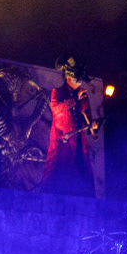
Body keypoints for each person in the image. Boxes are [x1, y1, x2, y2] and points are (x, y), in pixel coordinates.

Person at [40, 54, 98, 194]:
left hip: (79, 144)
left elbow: (88, 119)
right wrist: (74, 99)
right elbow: (56, 109)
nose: (80, 82)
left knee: (82, 179)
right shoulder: (58, 92)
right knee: (57, 178)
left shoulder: (83, 96)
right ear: (69, 77)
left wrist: (93, 126)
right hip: (62, 143)